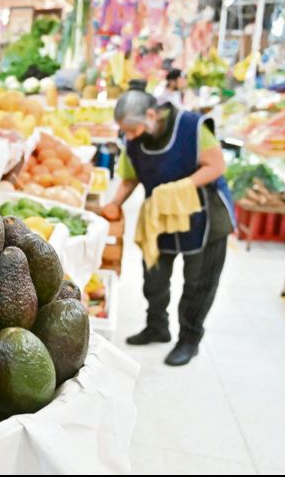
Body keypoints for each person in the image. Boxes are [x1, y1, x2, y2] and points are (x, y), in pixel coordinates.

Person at [105, 82, 235, 366]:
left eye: (132, 129)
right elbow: (130, 176)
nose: (129, 137)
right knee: (154, 275)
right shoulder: (134, 139)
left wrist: (177, 189)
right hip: (161, 215)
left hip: (205, 215)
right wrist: (114, 203)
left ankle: (189, 339)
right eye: (125, 131)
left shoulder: (192, 127)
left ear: (151, 115)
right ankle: (157, 327)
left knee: (198, 283)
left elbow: (216, 166)